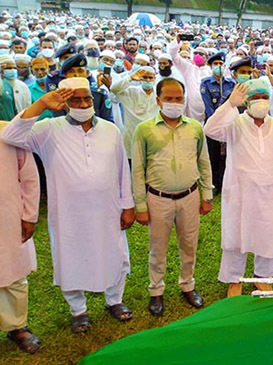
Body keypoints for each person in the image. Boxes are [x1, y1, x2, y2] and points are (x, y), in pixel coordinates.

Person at [1, 78, 135, 333]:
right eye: (75, 99)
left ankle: (114, 300)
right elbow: (10, 135)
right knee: (70, 256)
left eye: (86, 98)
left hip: (108, 209)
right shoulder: (48, 129)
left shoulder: (110, 130)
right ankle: (78, 310)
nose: (83, 104)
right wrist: (41, 104)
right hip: (68, 213)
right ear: (64, 103)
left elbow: (121, 171)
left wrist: (127, 205)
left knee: (115, 252)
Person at [204, 80, 273, 297]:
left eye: (264, 97)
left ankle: (262, 277)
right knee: (237, 233)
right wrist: (229, 105)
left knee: (267, 231)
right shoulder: (235, 124)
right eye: (255, 98)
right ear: (246, 102)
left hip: (268, 191)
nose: (261, 102)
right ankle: (234, 279)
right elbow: (210, 129)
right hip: (240, 191)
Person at [132, 77, 213, 315]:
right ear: (158, 100)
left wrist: (206, 195)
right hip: (157, 199)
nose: (174, 103)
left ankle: (187, 284)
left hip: (189, 195)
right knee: (158, 248)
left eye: (178, 99)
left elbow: (204, 162)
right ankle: (156, 290)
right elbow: (137, 169)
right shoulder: (144, 129)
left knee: (189, 245)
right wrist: (140, 205)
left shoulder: (195, 127)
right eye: (169, 99)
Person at [0, 121, 41, 354]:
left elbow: (30, 178)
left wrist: (29, 216)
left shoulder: (8, 132)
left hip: (7, 215)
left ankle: (17, 326)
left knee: (13, 271)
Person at [200, 52, 236, 196]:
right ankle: (214, 184)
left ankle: (226, 183)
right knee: (213, 155)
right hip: (213, 124)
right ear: (210, 66)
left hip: (228, 125)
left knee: (227, 156)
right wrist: (217, 120)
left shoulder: (231, 84)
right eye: (216, 64)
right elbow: (208, 107)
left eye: (221, 64)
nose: (219, 67)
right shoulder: (206, 83)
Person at [109, 66, 159, 159]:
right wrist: (130, 78)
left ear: (154, 78)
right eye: (145, 77)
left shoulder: (160, 93)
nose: (147, 80)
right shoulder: (131, 92)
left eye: (150, 77)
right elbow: (114, 89)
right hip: (132, 138)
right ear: (140, 79)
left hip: (154, 139)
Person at [169, 36, 211, 121]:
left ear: (206, 57)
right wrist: (177, 40)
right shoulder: (188, 68)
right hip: (190, 109)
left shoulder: (211, 71)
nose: (198, 55)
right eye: (195, 53)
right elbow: (174, 56)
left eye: (201, 54)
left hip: (206, 107)